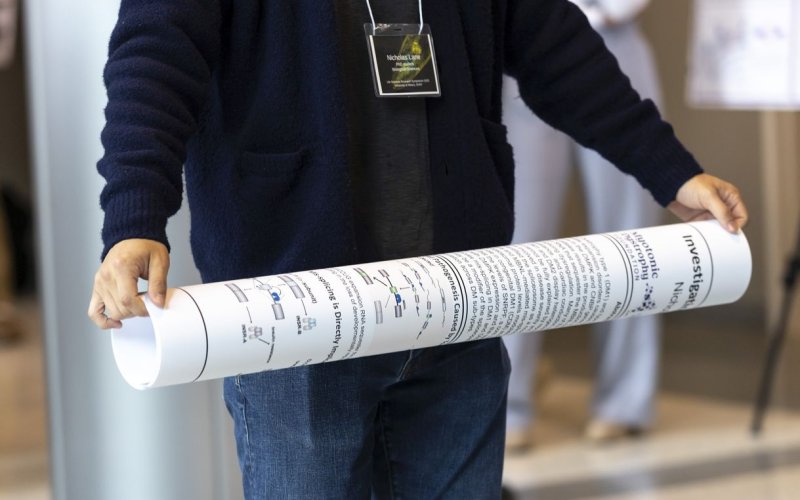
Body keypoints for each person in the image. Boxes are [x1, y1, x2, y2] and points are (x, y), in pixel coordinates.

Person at [88, 1, 748, 498]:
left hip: (455, 310)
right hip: (298, 319)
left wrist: (670, 170)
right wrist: (135, 217)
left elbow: (554, 43)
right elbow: (155, 60)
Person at [503, 0, 666, 449]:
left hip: (613, 38)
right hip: (524, 46)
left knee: (630, 236)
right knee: (518, 235)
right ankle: (509, 403)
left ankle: (626, 399)